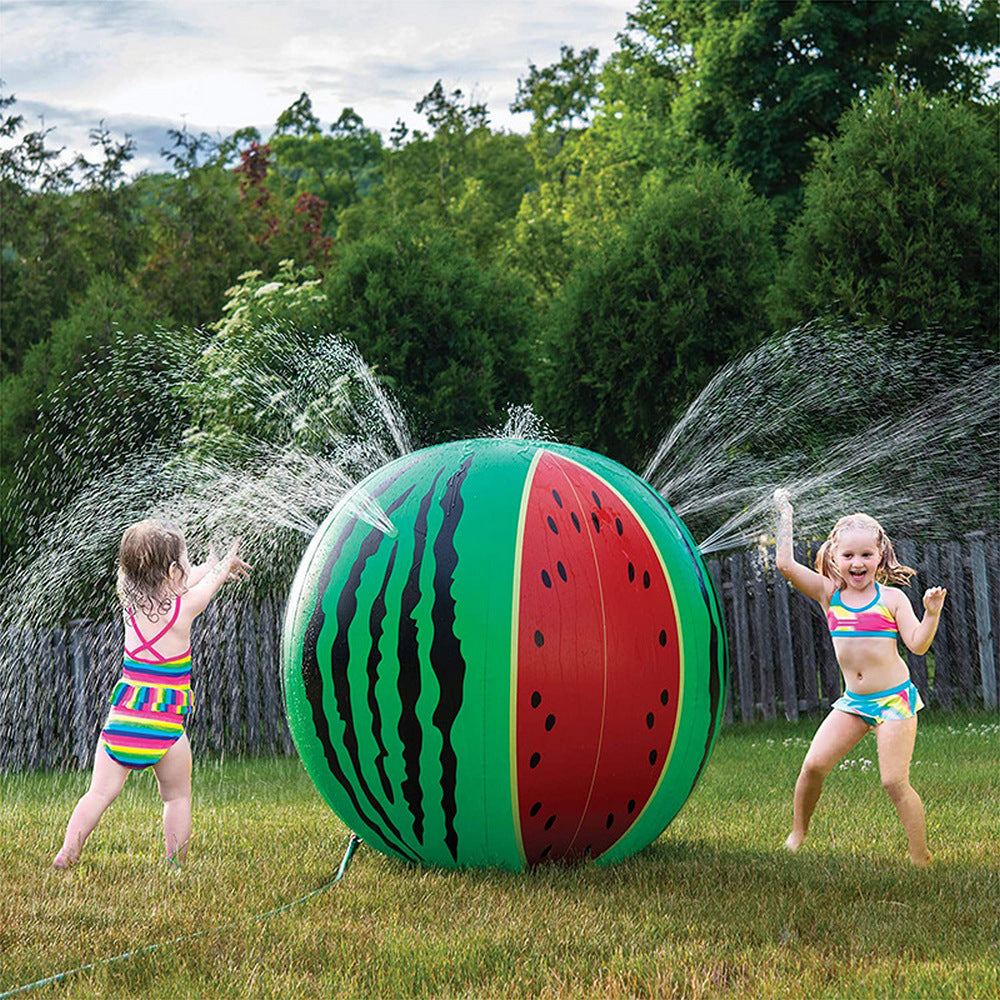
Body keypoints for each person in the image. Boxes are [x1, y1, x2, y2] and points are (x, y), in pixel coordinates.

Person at [53, 519, 250, 869]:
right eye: (186, 563)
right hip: (164, 726)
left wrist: (204, 566)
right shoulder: (184, 608)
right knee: (176, 797)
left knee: (98, 793)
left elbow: (178, 582)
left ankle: (68, 851)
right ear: (174, 571)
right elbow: (208, 585)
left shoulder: (128, 602)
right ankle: (175, 865)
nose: (190, 569)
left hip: (124, 719)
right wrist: (223, 565)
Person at [773, 490, 945, 867]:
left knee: (893, 782)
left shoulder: (893, 599)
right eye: (848, 555)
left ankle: (922, 857)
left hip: (894, 701)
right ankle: (798, 833)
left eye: (866, 555)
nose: (857, 563)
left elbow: (917, 646)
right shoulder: (828, 594)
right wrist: (785, 514)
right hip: (853, 703)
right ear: (834, 558)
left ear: (880, 556)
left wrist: (930, 614)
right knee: (813, 766)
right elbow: (785, 564)